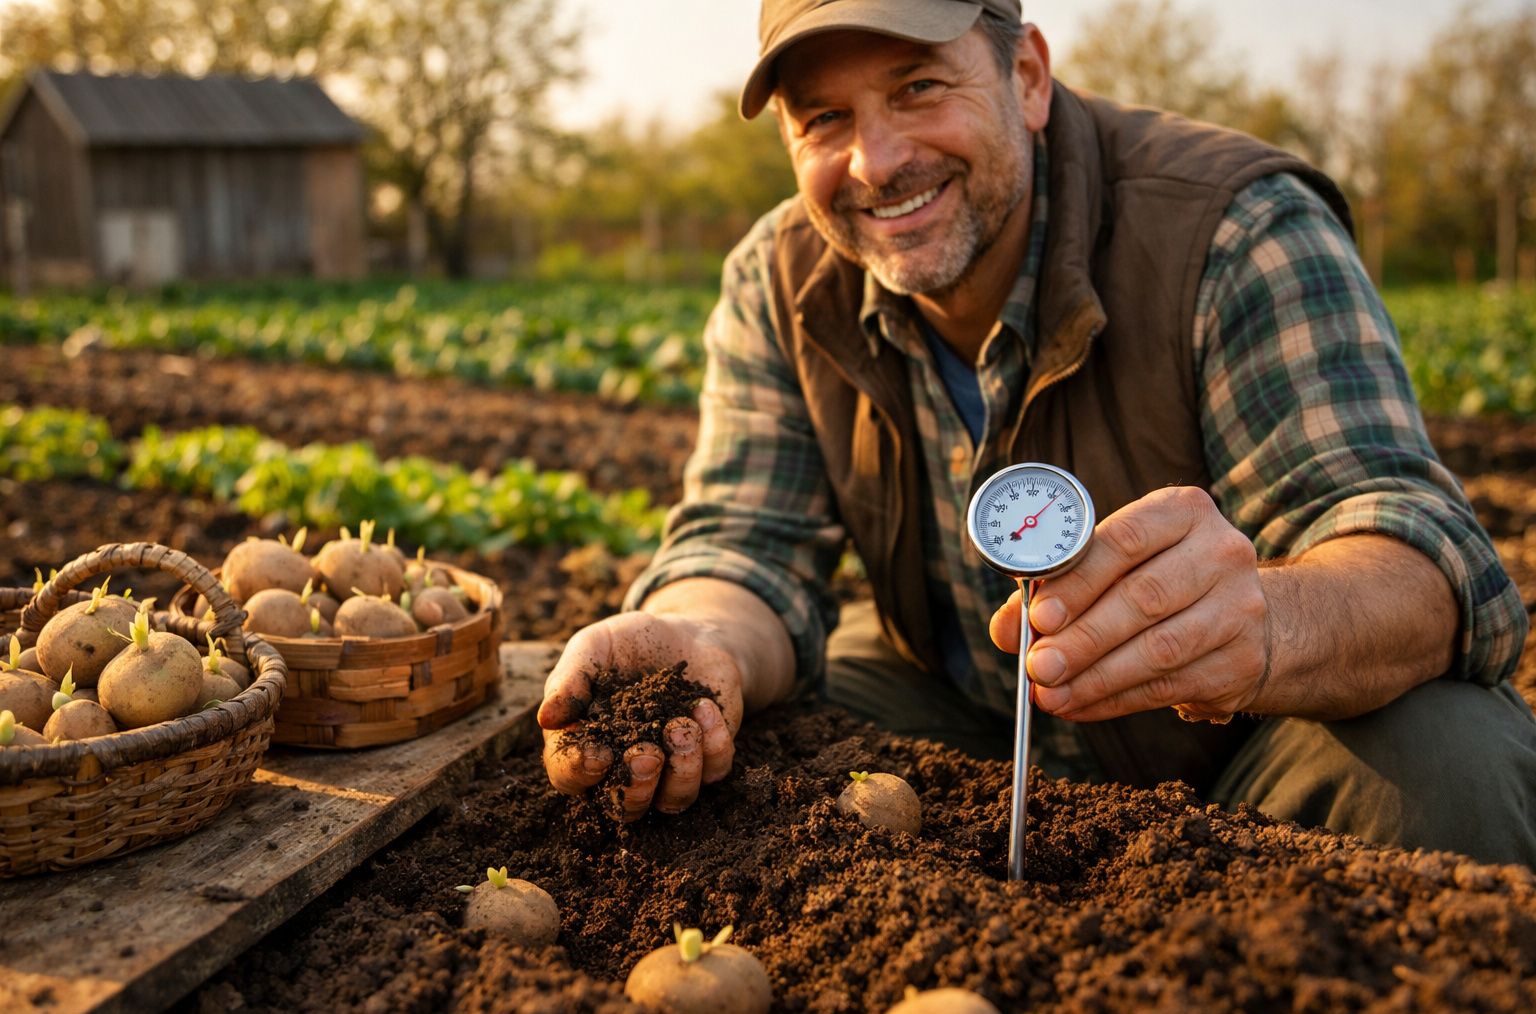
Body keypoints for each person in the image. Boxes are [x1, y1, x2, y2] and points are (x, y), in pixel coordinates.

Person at [539, 0, 1536, 866]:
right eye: (825, 117)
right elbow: (745, 546)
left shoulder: (1232, 228)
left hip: (1236, 750)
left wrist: (1266, 624)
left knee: (1449, 752)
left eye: (921, 86)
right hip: (955, 701)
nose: (875, 162)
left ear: (1026, 77)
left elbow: (1421, 557)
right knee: (747, 722)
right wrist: (702, 635)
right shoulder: (782, 279)